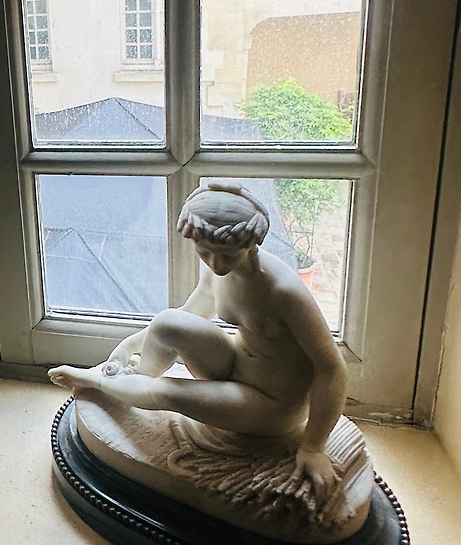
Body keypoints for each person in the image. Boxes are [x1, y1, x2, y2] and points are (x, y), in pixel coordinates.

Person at [48, 181, 347, 506]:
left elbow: (332, 369)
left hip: (270, 403)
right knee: (167, 322)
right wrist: (129, 346)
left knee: (169, 392)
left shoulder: (284, 291)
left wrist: (313, 447)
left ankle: (98, 382)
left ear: (252, 242)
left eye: (228, 255)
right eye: (204, 252)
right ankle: (136, 378)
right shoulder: (218, 270)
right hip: (236, 363)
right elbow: (188, 314)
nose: (216, 264)